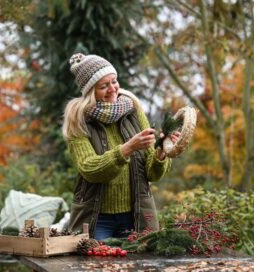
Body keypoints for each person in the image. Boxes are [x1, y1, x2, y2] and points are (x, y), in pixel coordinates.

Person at [63, 53, 180, 241]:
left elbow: (152, 174)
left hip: (135, 215)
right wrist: (127, 148)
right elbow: (90, 169)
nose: (112, 89)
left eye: (114, 81)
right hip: (96, 218)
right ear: (90, 91)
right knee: (95, 267)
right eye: (103, 86)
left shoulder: (133, 110)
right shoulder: (78, 120)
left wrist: (160, 153)